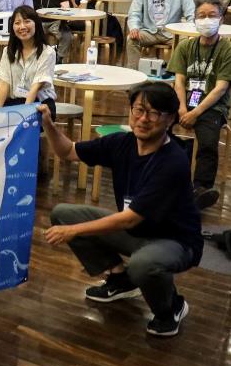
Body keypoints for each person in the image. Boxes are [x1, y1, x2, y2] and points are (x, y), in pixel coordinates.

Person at [41, 82, 202, 337]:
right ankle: (120, 280)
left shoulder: (173, 161)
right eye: (139, 110)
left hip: (174, 241)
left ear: (170, 119)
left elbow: (128, 219)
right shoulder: (122, 143)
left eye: (154, 113)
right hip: (137, 232)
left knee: (143, 264)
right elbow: (68, 151)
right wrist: (49, 125)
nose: (143, 119)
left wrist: (73, 231)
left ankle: (171, 307)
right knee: (63, 213)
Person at [167, 0, 231, 210]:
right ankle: (162, 169)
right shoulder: (185, 47)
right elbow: (179, 82)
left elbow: (220, 88)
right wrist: (182, 108)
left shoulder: (229, 51)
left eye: (212, 15)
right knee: (157, 123)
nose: (206, 20)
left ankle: (201, 188)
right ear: (194, 20)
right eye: (201, 16)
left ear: (221, 19)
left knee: (208, 143)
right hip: (185, 101)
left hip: (212, 105)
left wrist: (195, 113)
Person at [125, 0, 196, 69]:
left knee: (187, 42)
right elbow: (134, 13)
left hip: (172, 32)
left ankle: (176, 73)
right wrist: (134, 28)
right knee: (131, 39)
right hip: (150, 31)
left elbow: (190, 12)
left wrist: (191, 31)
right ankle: (134, 73)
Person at [0, 6, 57, 117]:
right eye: (17, 23)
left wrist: (24, 115)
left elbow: (36, 87)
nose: (22, 27)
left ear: (36, 24)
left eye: (27, 21)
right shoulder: (8, 51)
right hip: (16, 102)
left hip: (40, 103)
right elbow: (4, 83)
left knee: (23, 124)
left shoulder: (47, 52)